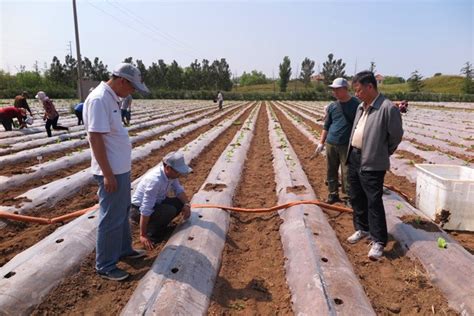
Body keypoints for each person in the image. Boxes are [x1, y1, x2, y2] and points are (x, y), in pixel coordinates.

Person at [83, 63, 150, 281]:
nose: (132, 92)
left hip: (119, 170)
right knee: (110, 218)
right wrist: (108, 174)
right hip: (111, 172)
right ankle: (105, 265)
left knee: (121, 213)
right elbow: (95, 138)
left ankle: (123, 250)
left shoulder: (112, 97)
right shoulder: (99, 99)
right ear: (122, 81)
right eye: (132, 88)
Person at [346, 71, 403, 260]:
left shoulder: (387, 108)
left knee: (373, 201)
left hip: (372, 161)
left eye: (359, 90)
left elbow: (395, 136)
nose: (357, 94)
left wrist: (382, 153)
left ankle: (378, 241)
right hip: (354, 156)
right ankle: (362, 228)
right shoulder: (361, 107)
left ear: (370, 87)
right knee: (356, 196)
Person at [130, 151, 192, 250]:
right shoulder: (154, 181)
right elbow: (146, 208)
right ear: (168, 168)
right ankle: (152, 235)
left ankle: (159, 225)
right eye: (178, 171)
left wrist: (187, 204)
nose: (179, 174)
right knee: (169, 210)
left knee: (179, 203)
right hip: (137, 210)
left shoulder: (171, 175)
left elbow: (178, 190)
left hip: (156, 202)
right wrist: (143, 234)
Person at [312, 78, 359, 205]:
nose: (335, 92)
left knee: (347, 171)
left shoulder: (357, 105)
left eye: (337, 89)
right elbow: (326, 126)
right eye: (333, 90)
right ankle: (333, 194)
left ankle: (349, 196)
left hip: (347, 145)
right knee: (331, 169)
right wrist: (321, 142)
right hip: (331, 143)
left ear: (345, 89)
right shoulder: (332, 106)